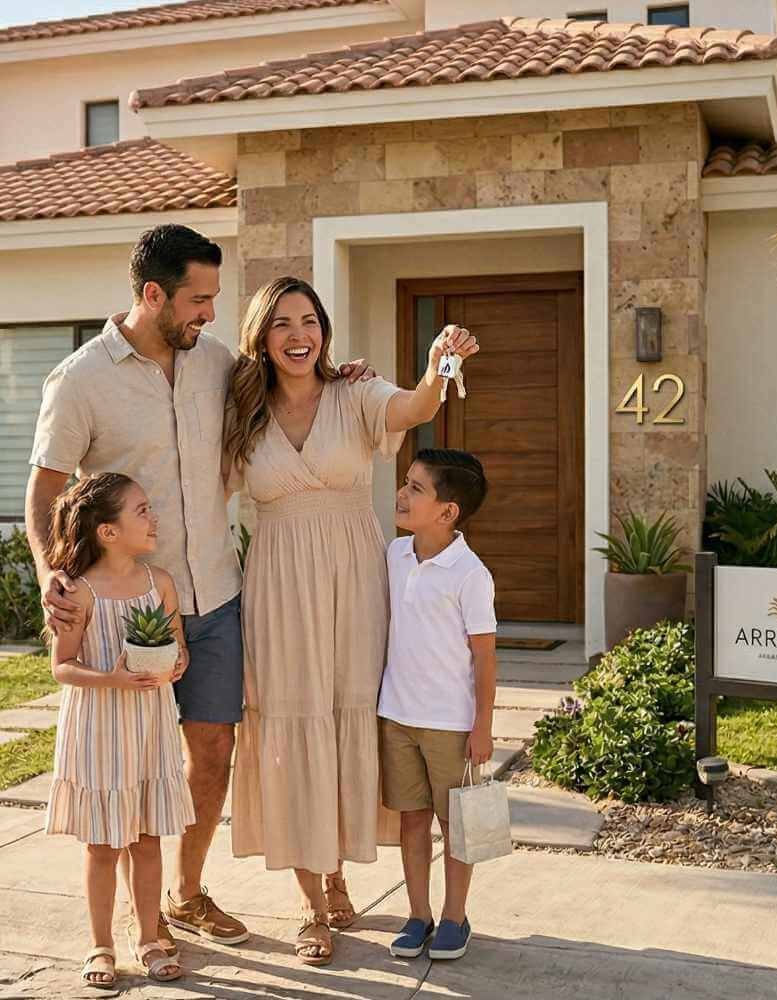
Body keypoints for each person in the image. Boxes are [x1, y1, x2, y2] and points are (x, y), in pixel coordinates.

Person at [24, 225, 374, 954]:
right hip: (125, 610)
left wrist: (342, 378)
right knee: (132, 767)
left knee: (211, 751)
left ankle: (185, 894)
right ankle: (133, 919)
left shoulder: (219, 364)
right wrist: (51, 570)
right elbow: (46, 488)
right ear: (152, 295)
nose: (210, 314)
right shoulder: (81, 378)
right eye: (197, 299)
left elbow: (291, 382)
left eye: (213, 299)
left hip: (214, 596)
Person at [224, 276, 479, 966]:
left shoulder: (356, 394)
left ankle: (336, 869)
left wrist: (437, 363)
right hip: (279, 586)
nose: (298, 335)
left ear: (325, 331)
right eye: (281, 324)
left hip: (355, 583)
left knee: (351, 722)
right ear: (261, 337)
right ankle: (312, 905)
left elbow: (417, 405)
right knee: (291, 722)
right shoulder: (239, 412)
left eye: (309, 321)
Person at [45, 472, 195, 988]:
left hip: (150, 727)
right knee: (103, 846)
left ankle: (149, 937)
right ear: (108, 532)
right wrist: (110, 678)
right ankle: (100, 943)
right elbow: (61, 667)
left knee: (149, 837)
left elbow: (178, 647)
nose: (153, 519)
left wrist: (176, 664)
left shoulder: (162, 583)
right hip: (100, 731)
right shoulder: (79, 592)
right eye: (142, 511)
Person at [378, 449, 497, 962]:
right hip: (397, 716)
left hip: (449, 722)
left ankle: (454, 916)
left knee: (456, 825)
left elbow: (485, 659)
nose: (402, 495)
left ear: (447, 512)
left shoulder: (470, 574)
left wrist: (482, 726)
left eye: (416, 488)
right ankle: (418, 914)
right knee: (411, 819)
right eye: (405, 484)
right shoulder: (394, 555)